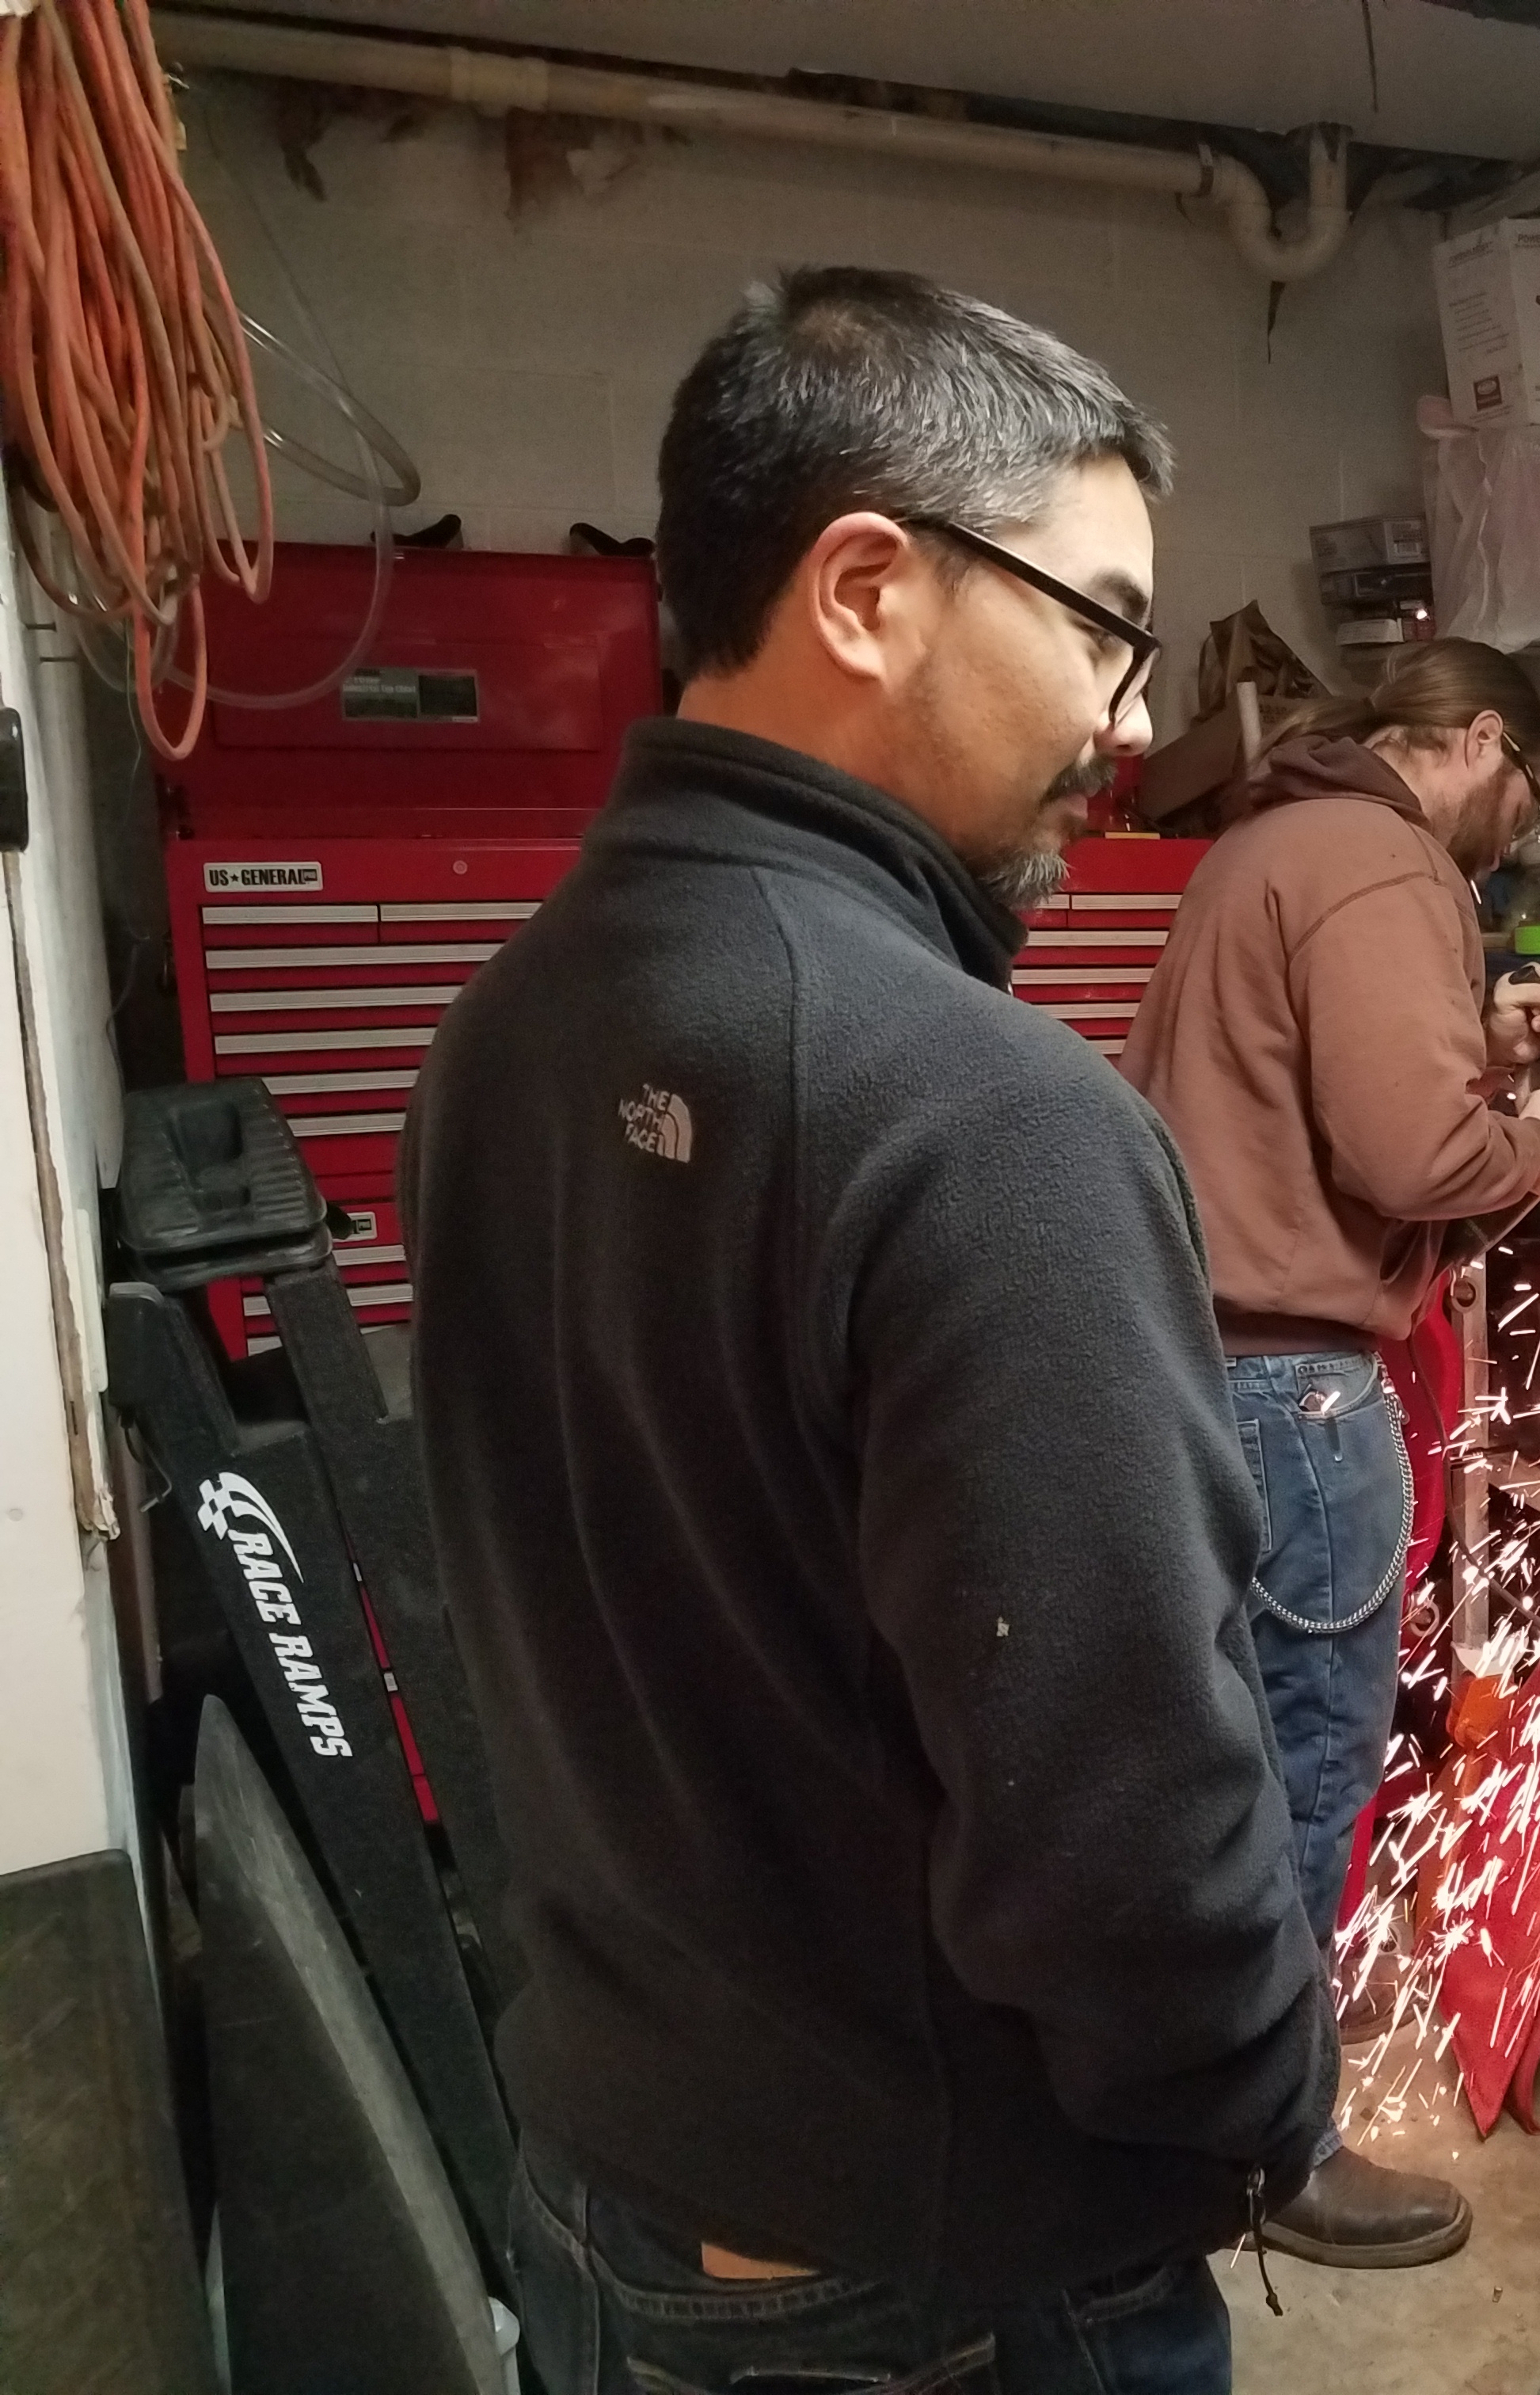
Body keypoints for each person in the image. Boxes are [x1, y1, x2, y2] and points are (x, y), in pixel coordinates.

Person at [405, 266, 1333, 2395]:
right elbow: (1124, 1839)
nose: (1131, 721)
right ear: (865, 591)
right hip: (939, 2280)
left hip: (611, 2190)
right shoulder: (986, 1123)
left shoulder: (505, 1029)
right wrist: (1265, 2103)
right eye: (1103, 626)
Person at [1120, 639, 1540, 2269]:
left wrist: (1488, 1050)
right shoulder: (1389, 863)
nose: (1515, 834)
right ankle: (1283, 2153)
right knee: (1312, 1774)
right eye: (1523, 796)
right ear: (1478, 739)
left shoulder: (1269, 842)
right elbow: (1410, 1157)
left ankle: (1202, 2113)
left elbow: (1312, 1097)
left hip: (1196, 1364)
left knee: (1227, 1775)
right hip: (1296, 1393)